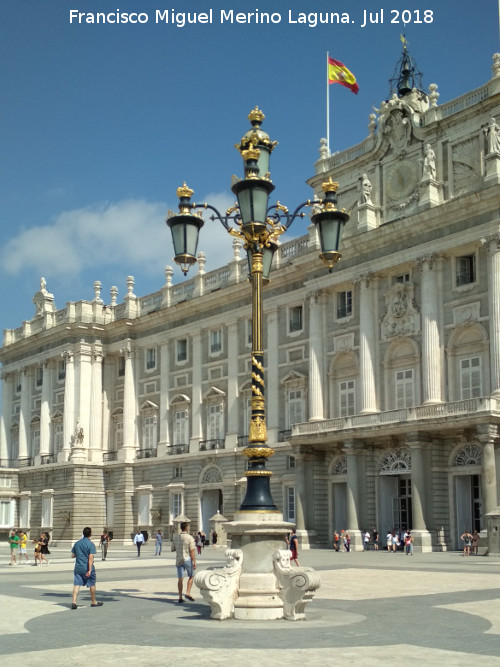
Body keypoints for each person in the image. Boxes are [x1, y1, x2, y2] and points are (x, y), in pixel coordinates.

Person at [71, 526, 103, 609]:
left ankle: (74, 602)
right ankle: (93, 601)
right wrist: (89, 569)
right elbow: (91, 557)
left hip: (78, 567)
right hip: (87, 568)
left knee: (76, 584)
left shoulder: (77, 543)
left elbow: (73, 555)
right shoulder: (90, 544)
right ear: (90, 534)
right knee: (92, 584)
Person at [171, 521, 196, 602]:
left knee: (180, 579)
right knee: (191, 576)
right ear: (186, 528)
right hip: (187, 559)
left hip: (178, 560)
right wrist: (194, 561)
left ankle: (180, 597)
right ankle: (188, 592)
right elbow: (192, 550)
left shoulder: (176, 537)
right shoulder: (190, 538)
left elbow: (172, 549)